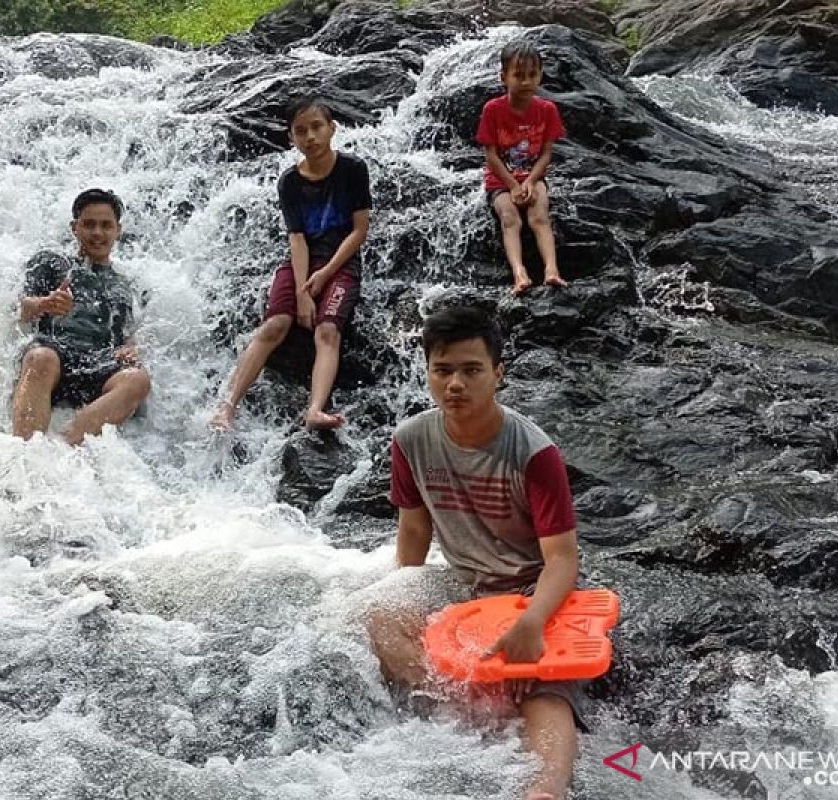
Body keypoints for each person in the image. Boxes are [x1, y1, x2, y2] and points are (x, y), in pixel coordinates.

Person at [369, 306, 583, 800]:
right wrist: (407, 593)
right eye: (442, 371)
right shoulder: (411, 439)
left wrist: (532, 622)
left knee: (547, 688)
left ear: (498, 375)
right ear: (427, 373)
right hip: (462, 583)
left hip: (531, 586)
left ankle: (545, 789)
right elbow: (415, 529)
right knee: (380, 616)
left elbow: (563, 560)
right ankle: (470, 697)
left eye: (471, 370)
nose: (456, 384)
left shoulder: (535, 452)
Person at [210, 98, 372, 431]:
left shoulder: (353, 170)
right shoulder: (289, 182)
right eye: (301, 131)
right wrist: (302, 291)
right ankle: (227, 406)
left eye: (316, 127)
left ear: (332, 129)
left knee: (327, 330)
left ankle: (315, 409)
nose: (310, 137)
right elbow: (296, 239)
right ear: (291, 138)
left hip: (340, 264)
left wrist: (325, 274)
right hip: (301, 262)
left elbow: (360, 230)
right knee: (274, 326)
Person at [11, 188, 150, 446]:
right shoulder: (51, 262)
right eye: (89, 224)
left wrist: (132, 349)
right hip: (55, 356)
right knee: (40, 356)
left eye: (106, 225)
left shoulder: (127, 285)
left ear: (118, 230)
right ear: (74, 228)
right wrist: (45, 303)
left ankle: (64, 447)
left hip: (99, 365)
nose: (97, 233)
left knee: (137, 379)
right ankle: (25, 453)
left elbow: (131, 333)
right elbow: (17, 307)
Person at [477, 40, 568, 297]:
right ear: (503, 77)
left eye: (532, 75)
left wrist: (529, 183)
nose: (526, 82)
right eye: (518, 75)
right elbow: (491, 156)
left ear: (540, 75)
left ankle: (551, 270)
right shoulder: (493, 110)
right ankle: (520, 273)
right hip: (501, 181)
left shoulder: (547, 110)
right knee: (509, 217)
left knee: (539, 216)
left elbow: (547, 153)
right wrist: (513, 185)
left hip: (532, 177)